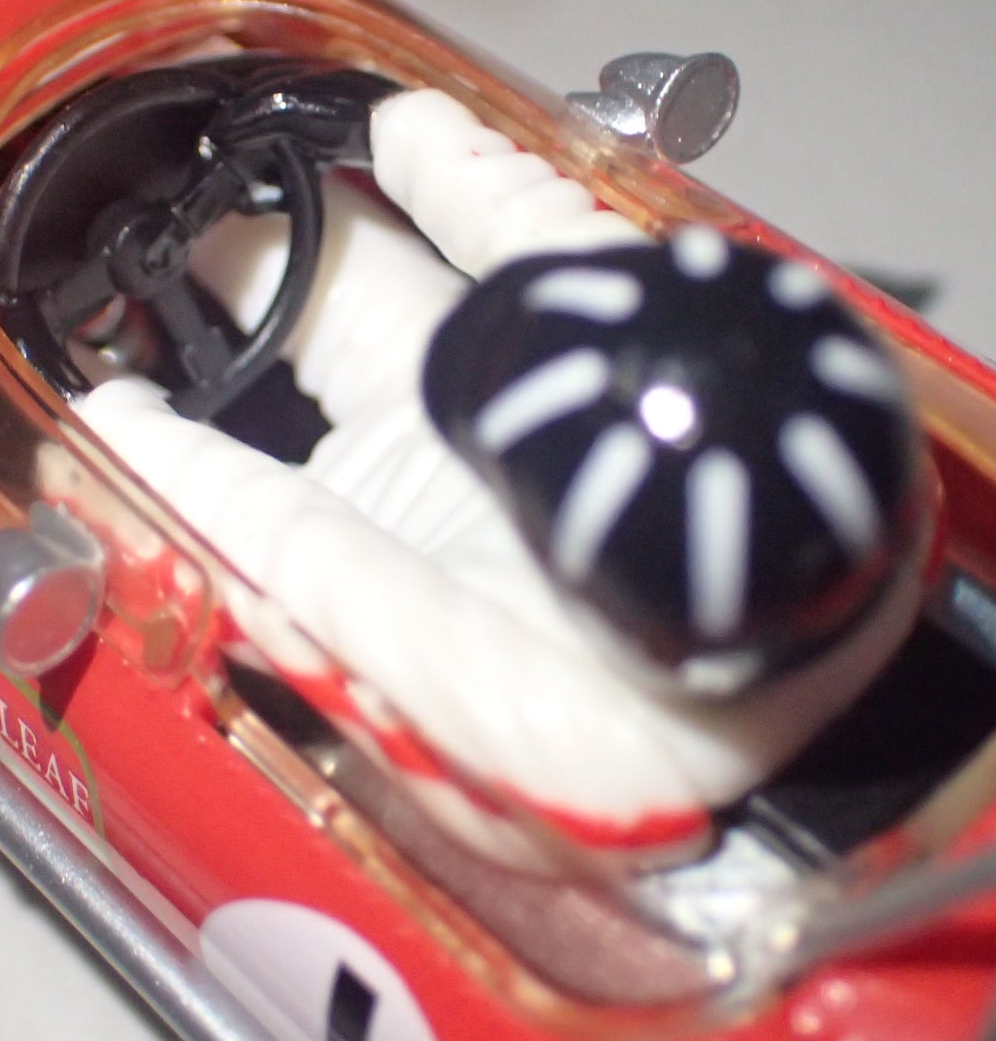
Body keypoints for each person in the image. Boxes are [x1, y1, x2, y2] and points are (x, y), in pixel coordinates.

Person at [74, 84, 932, 869]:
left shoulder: (580, 742)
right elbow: (589, 261)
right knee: (321, 264)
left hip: (395, 543)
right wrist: (388, 127)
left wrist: (89, 417)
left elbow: (284, 554)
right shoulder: (872, 465)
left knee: (323, 300)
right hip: (458, 501)